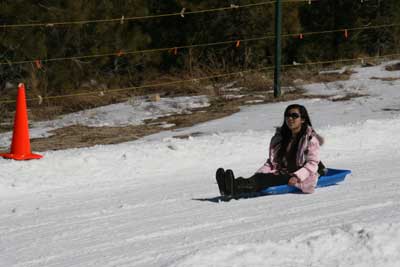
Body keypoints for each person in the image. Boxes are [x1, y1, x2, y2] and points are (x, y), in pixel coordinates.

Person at [216, 104, 324, 197]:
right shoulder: (281, 138)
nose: (290, 118)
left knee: (264, 180)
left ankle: (234, 188)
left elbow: (313, 163)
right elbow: (272, 162)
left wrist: (297, 176)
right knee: (260, 177)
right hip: (282, 172)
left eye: (294, 116)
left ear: (303, 119)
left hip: (297, 175)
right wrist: (260, 172)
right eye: (287, 115)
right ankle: (229, 186)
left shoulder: (310, 139)